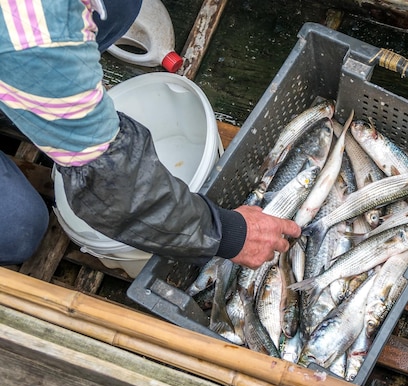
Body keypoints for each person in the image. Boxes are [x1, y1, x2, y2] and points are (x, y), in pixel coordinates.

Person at [0, 0, 300, 268]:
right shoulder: (36, 32)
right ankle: (33, 100)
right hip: (25, 43)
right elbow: (111, 186)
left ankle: (28, 98)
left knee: (121, 7)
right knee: (19, 228)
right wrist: (229, 235)